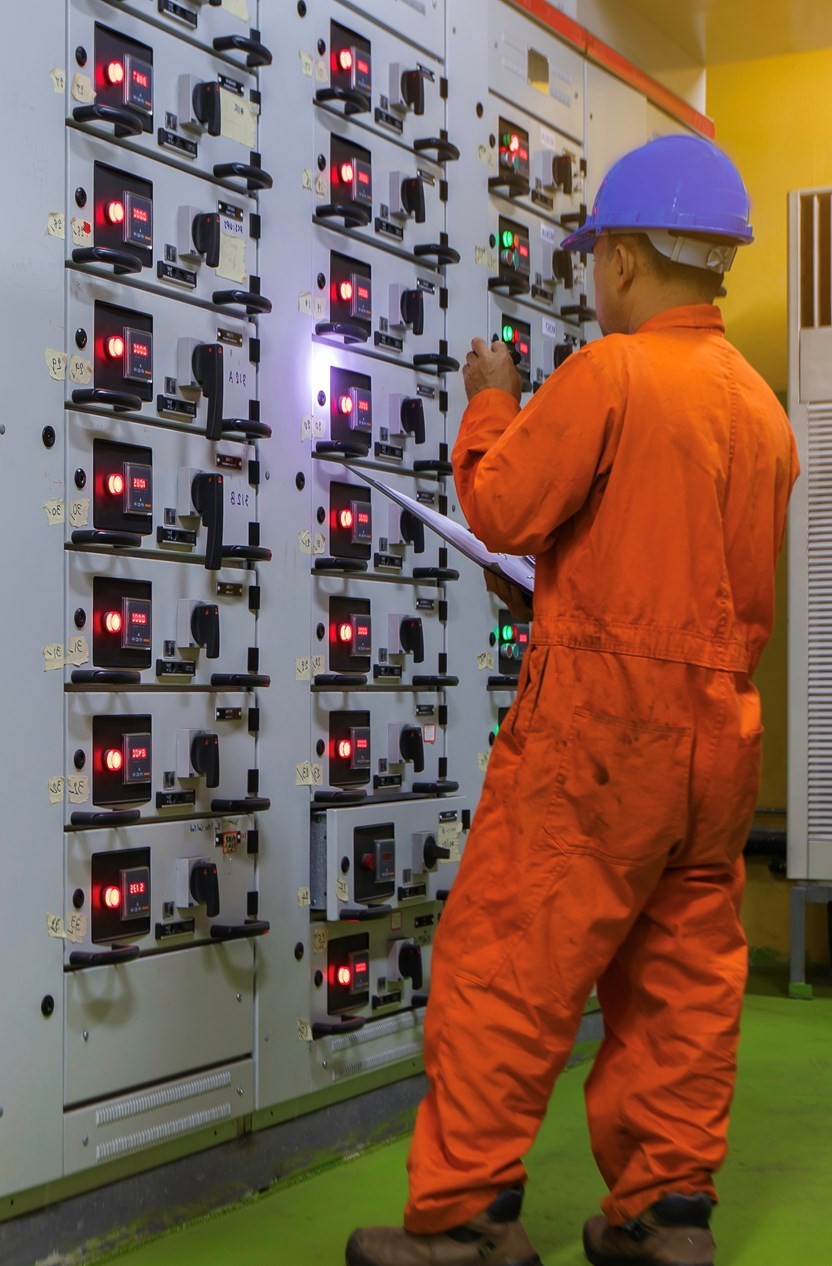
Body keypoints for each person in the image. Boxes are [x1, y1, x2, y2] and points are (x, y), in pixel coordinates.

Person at [345, 134, 796, 1266]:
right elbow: (675, 569)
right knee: (681, 976)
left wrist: (488, 404)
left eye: (594, 257)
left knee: (508, 959)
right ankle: (662, 1218)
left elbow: (500, 503)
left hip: (600, 731)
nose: (592, 278)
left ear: (627, 260)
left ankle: (460, 1224)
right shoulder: (762, 414)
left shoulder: (611, 376)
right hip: (715, 742)